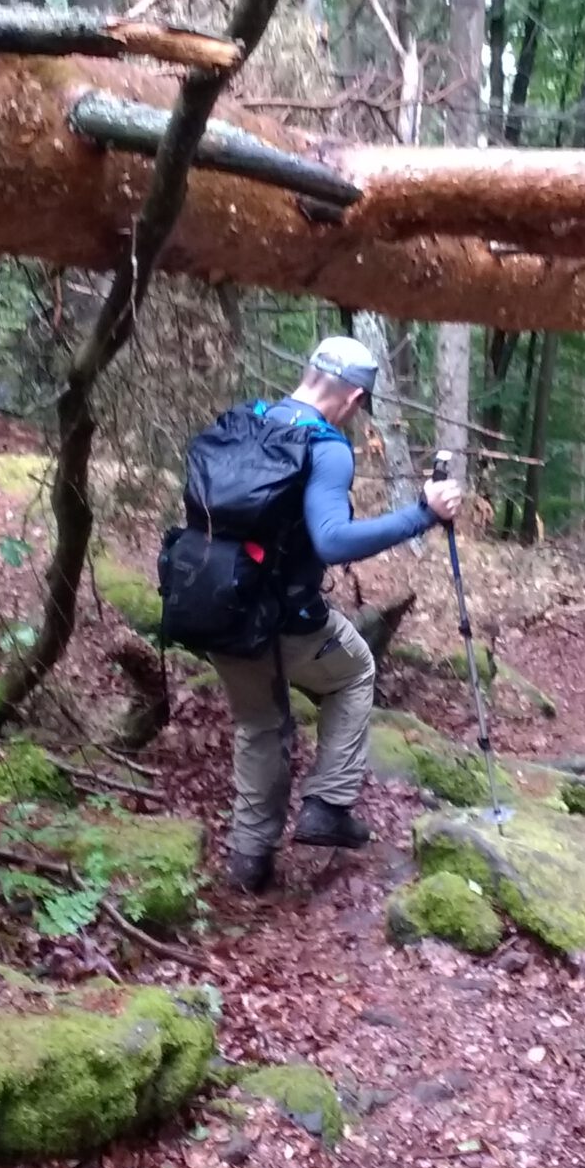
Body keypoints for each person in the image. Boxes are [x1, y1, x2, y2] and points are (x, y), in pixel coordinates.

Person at [212, 335, 462, 893]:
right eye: (359, 408)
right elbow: (331, 541)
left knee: (259, 725)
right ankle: (327, 803)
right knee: (355, 671)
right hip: (284, 618)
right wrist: (423, 513)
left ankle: (249, 861)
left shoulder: (247, 420)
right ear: (351, 398)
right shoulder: (326, 448)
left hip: (217, 609)